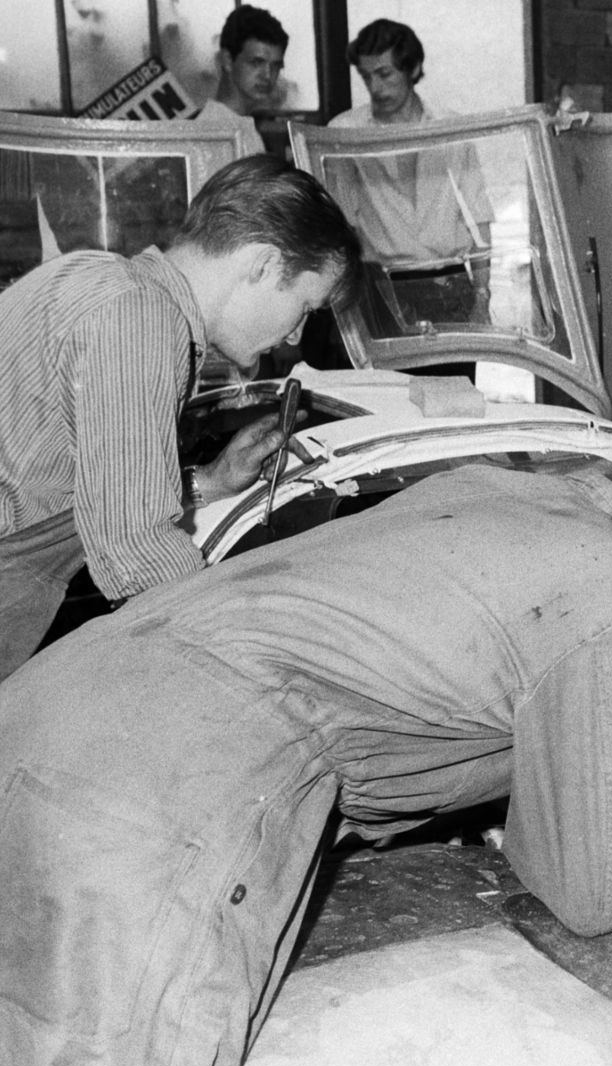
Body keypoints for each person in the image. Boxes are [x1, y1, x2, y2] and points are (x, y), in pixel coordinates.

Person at [0, 463, 612, 1066]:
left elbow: (522, 708)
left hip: (52, 712)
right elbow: (588, 887)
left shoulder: (509, 501)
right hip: (162, 795)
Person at [0, 153, 360, 682]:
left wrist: (206, 484)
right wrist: (265, 656)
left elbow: (75, 487)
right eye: (305, 308)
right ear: (262, 264)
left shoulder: (102, 279)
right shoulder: (139, 319)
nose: (294, 337)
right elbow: (136, 554)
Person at [326, 18, 493, 331]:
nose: (375, 88)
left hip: (450, 287)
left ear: (413, 69)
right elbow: (341, 227)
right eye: (366, 76)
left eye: (384, 74)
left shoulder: (451, 129)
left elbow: (479, 219)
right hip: (380, 289)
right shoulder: (345, 134)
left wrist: (482, 295)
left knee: (452, 381)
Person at [197, 5, 287, 120]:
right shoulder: (214, 131)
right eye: (257, 63)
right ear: (227, 60)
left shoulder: (243, 126)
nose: (268, 75)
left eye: (275, 66)